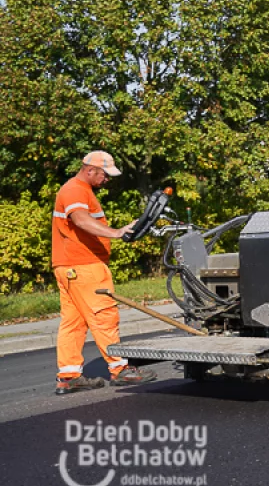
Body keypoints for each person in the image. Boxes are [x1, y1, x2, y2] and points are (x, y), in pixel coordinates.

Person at [52, 151, 157, 394]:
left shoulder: (77, 189)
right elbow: (80, 219)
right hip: (85, 267)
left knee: (73, 324)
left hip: (69, 268)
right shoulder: (76, 190)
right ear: (90, 170)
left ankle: (69, 377)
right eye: (104, 175)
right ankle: (120, 370)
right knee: (104, 316)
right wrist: (117, 232)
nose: (107, 180)